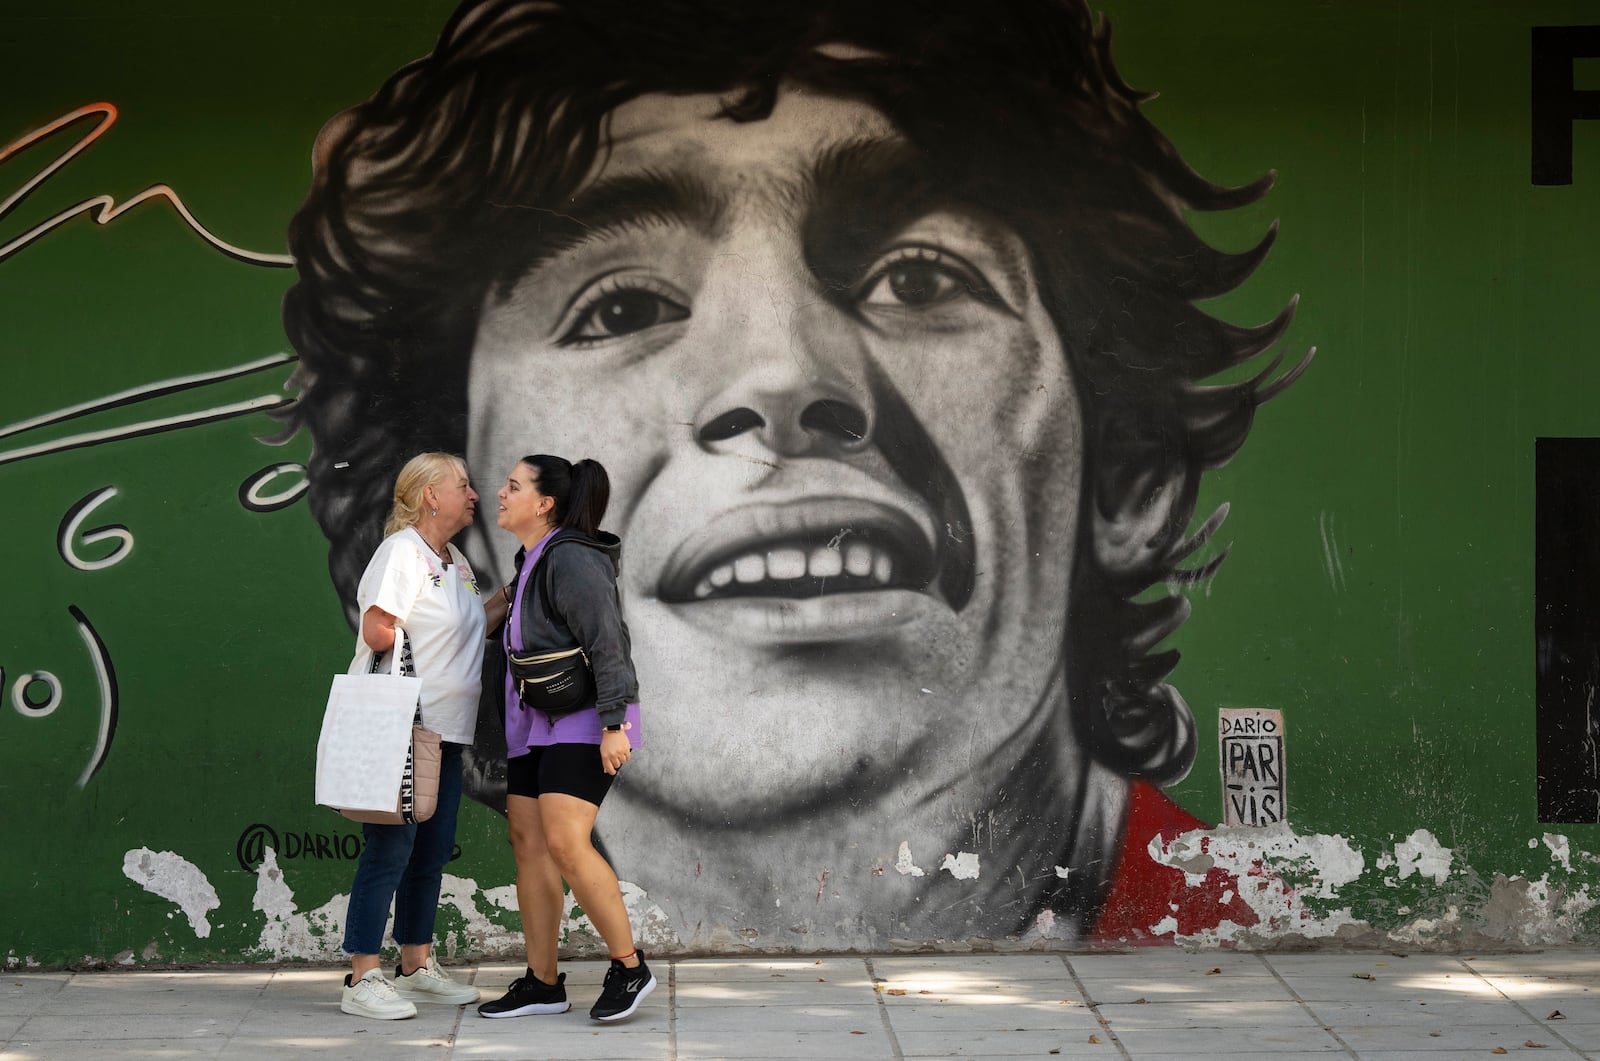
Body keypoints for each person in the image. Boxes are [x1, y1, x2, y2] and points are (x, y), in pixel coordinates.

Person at [283, 0, 1312, 949]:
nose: (780, 377)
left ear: (1122, 480)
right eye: (624, 307)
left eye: (919, 277)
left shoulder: (1240, 924)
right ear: (477, 526)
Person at [474, 455, 653, 1022]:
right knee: (528, 844)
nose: (500, 493)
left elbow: (609, 641)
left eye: (513, 486)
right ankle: (543, 982)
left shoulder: (572, 556)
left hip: (586, 720)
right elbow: (504, 618)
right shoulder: (533, 557)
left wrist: (614, 724)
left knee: (567, 843)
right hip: (534, 722)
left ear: (544, 502)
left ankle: (629, 967)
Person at [337, 452, 488, 1019]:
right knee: (390, 847)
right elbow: (378, 628)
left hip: (446, 731)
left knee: (429, 850)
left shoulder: (455, 562)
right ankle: (362, 977)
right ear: (431, 495)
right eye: (464, 485)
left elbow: (471, 624)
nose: (474, 494)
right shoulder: (402, 553)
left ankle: (417, 965)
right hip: (407, 727)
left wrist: (517, 588)